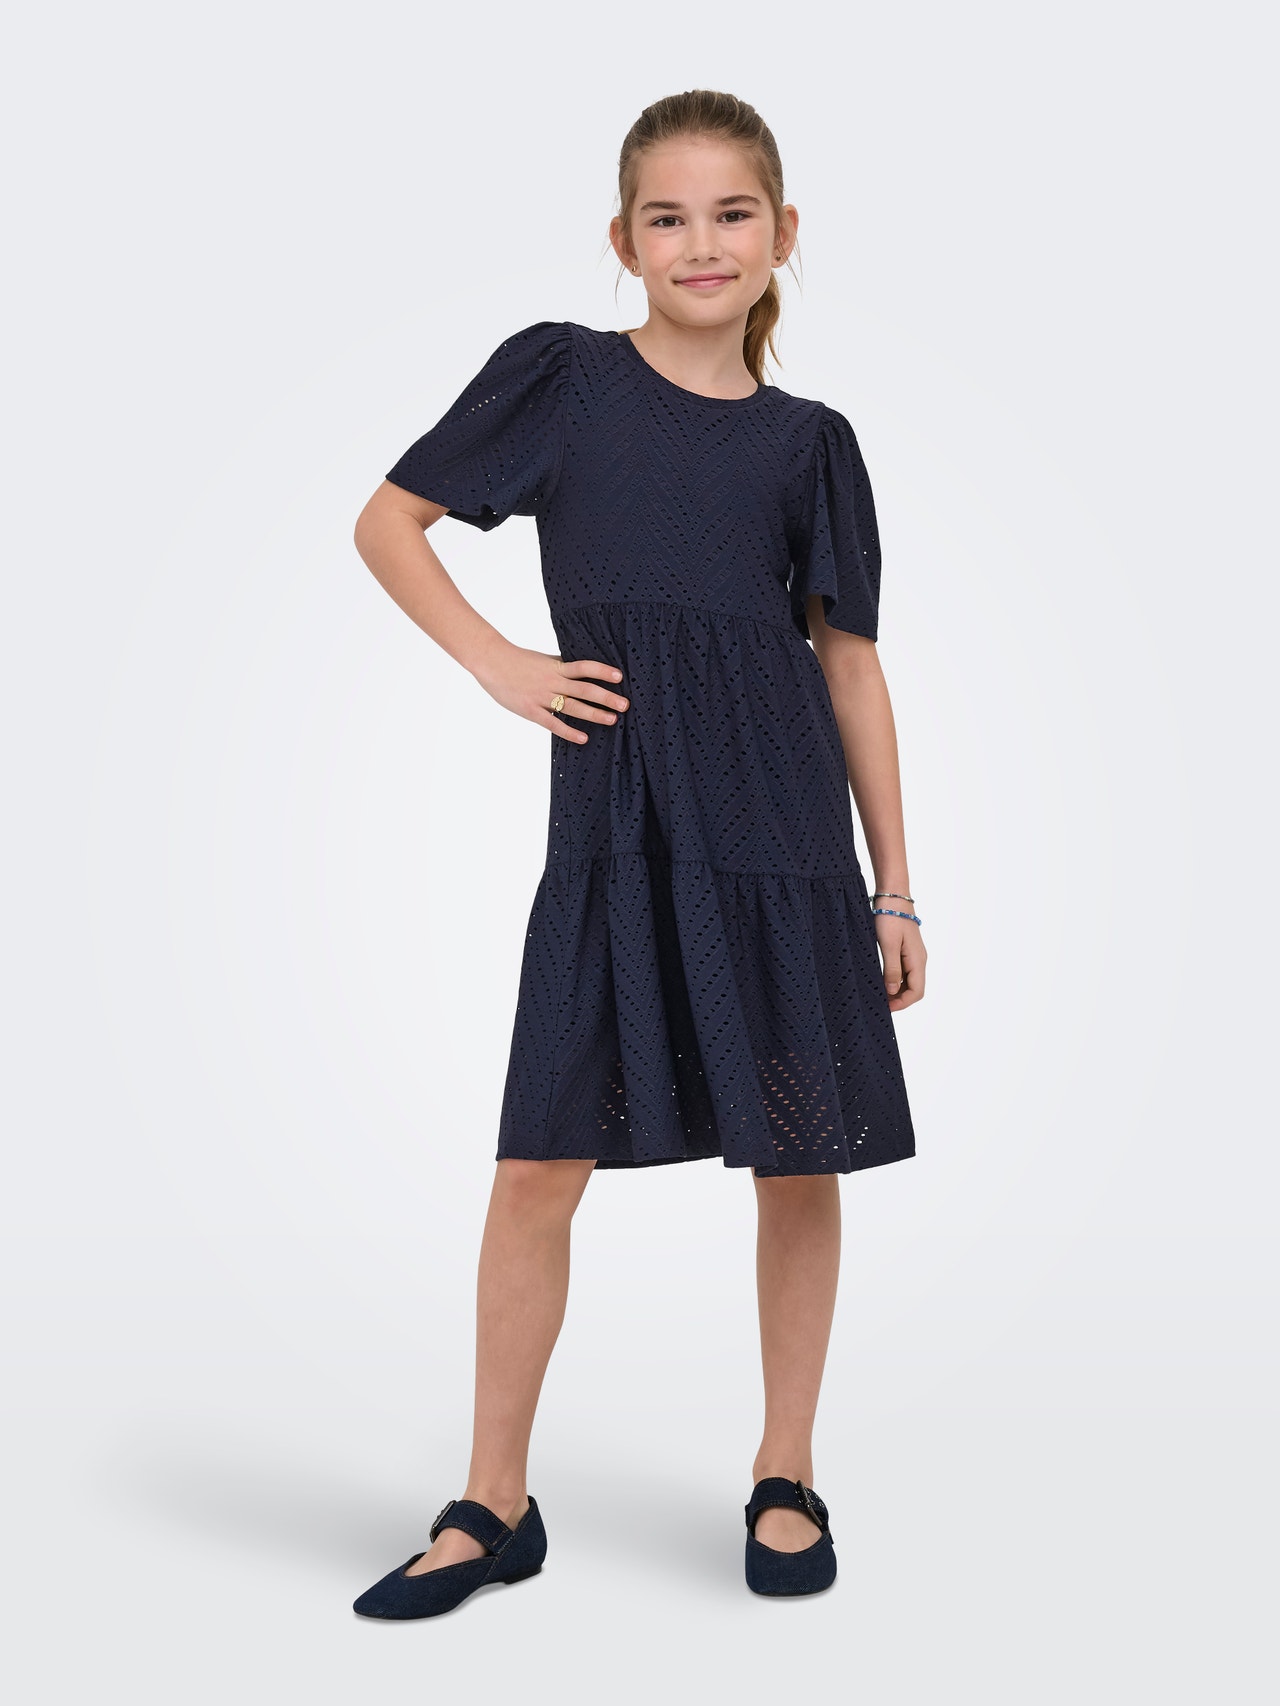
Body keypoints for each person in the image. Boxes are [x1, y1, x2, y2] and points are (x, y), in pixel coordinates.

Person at [349, 88, 925, 1619]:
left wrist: (895, 884)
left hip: (783, 834)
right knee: (539, 1159)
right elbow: (390, 522)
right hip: (616, 825)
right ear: (624, 238)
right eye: (667, 216)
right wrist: (501, 662)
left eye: (731, 213)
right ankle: (493, 1499)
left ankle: (786, 1469)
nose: (700, 242)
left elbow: (851, 667)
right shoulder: (564, 380)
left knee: (801, 1153)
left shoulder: (813, 444)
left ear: (782, 232)